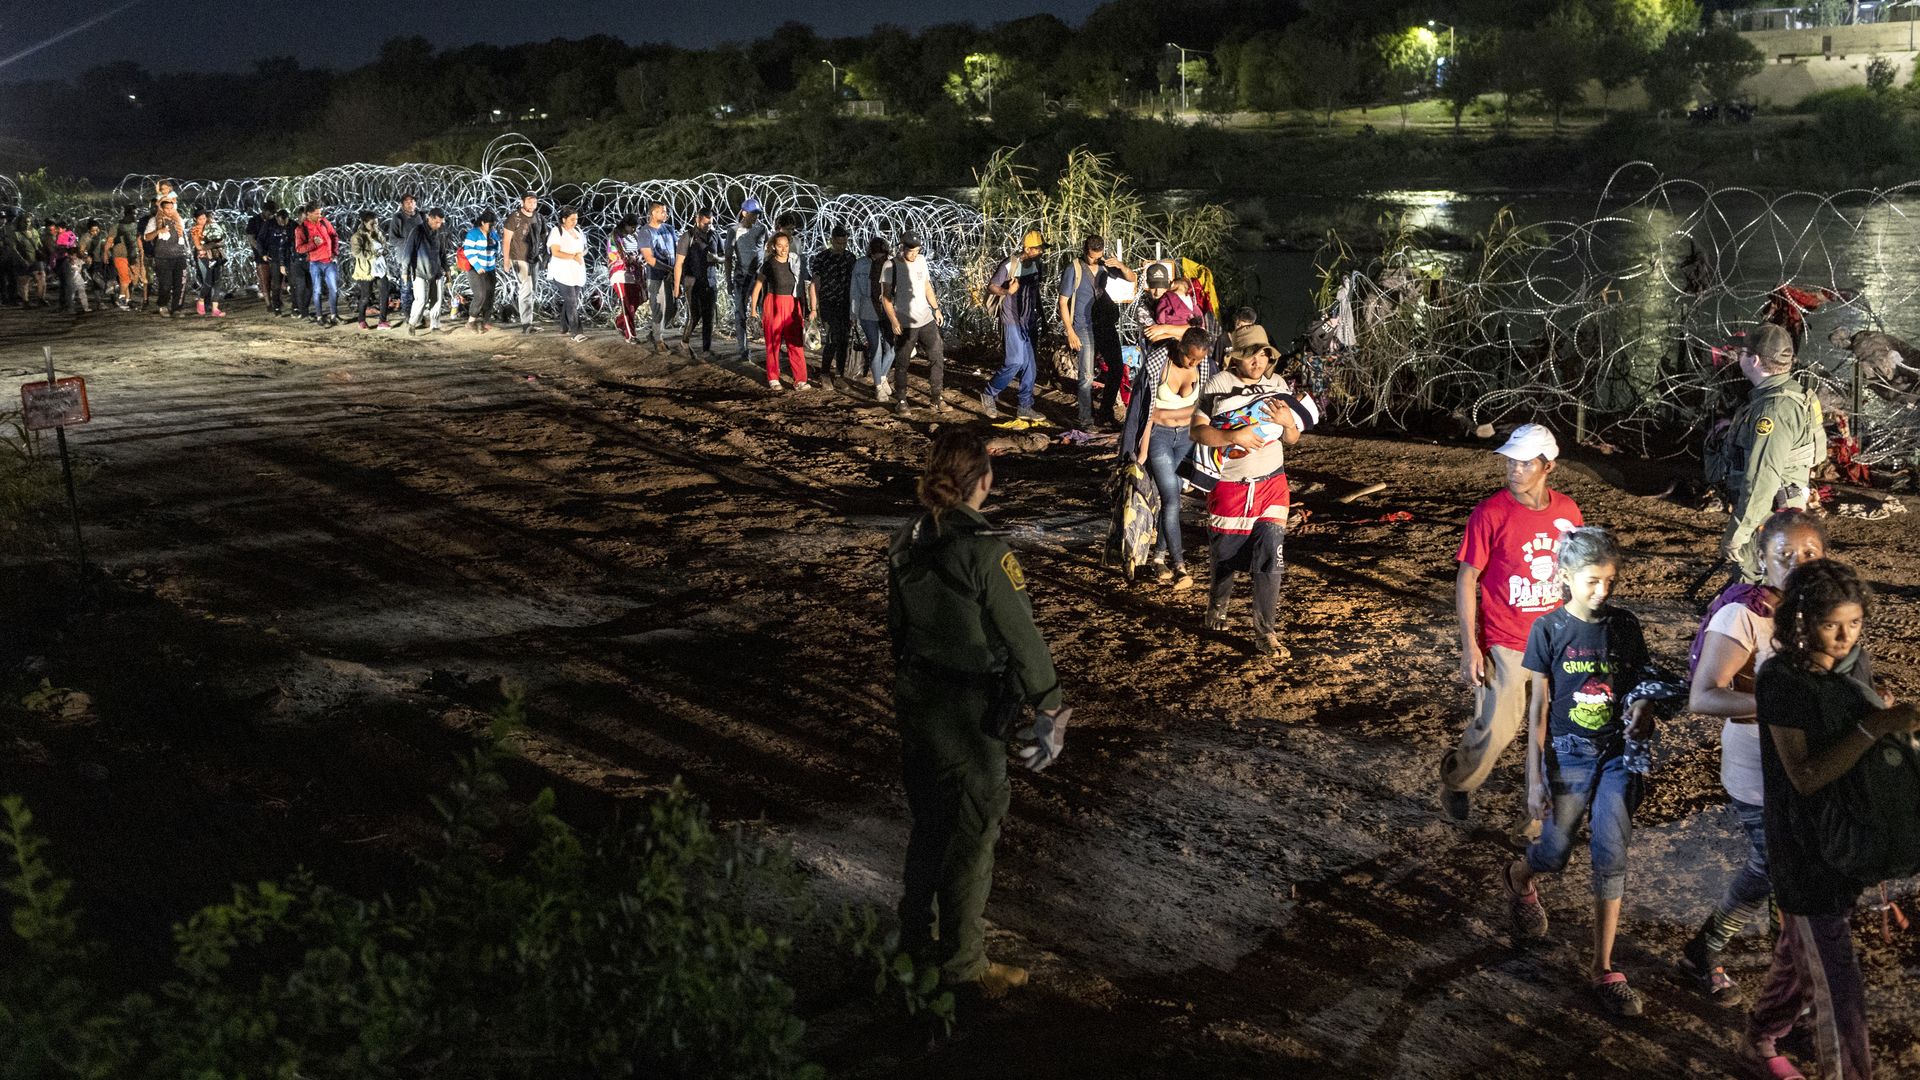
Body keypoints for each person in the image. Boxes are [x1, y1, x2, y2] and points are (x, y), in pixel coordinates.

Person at [888, 427, 1069, 1000]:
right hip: (970, 709)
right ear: (983, 481)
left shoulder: (905, 541)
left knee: (930, 827)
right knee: (972, 833)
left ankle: (913, 944)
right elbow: (1023, 637)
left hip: (919, 700)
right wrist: (1049, 705)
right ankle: (964, 966)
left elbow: (898, 631)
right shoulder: (987, 551)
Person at [1739, 560, 1918, 1080]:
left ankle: (1759, 1040)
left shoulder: (1850, 669)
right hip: (1805, 850)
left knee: (1801, 959)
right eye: (1830, 625)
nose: (1844, 637)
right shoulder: (1782, 680)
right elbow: (1805, 776)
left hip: (1849, 842)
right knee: (1839, 990)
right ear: (1800, 621)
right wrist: (1873, 727)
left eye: (1855, 623)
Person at [1501, 527, 1660, 1019]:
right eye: (1592, 580)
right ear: (1566, 577)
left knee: (1611, 853)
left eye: (1610, 580)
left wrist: (1646, 708)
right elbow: (1539, 711)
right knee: (1553, 852)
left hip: (1618, 754)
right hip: (1567, 755)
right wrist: (1534, 780)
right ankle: (1520, 878)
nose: (1603, 591)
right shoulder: (1548, 630)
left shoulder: (1625, 626)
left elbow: (1642, 686)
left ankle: (1603, 967)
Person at [1681, 510, 1829, 1006]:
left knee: (1781, 869)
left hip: (1807, 768)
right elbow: (1704, 697)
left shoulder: (1822, 609)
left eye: (1808, 553)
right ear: (1761, 558)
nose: (1796, 563)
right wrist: (1784, 708)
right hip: (1757, 771)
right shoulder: (1743, 614)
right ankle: (1787, 981)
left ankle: (1734, 958)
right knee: (1780, 868)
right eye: (1783, 554)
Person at [1439, 423, 1584, 837]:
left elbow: (1574, 572)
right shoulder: (1490, 513)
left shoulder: (1568, 512)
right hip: (1505, 642)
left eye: (1524, 463)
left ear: (1548, 466)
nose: (1514, 470)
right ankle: (1458, 779)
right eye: (1510, 461)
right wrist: (1471, 647)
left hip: (1554, 642)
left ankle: (1534, 822)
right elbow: (1467, 578)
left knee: (1547, 732)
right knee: (1496, 730)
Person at [1191, 326, 1300, 655]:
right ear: (1236, 355)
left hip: (1272, 484)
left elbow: (1292, 439)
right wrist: (1232, 437)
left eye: (1264, 353)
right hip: (1229, 487)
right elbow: (1197, 432)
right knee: (1225, 557)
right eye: (1252, 353)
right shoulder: (1219, 385)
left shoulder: (1277, 386)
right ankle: (1218, 605)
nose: (1258, 360)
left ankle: (1265, 632)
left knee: (1270, 553)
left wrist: (1289, 423)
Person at [1717, 325, 1826, 583]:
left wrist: (1738, 533)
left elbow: (1762, 479)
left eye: (1741, 352)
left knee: (1756, 585)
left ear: (1754, 360)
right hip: (1783, 511)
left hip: (1767, 515)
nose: (1737, 357)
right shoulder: (1793, 394)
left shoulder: (1773, 410)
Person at [1119, 325, 1214, 589]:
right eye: (1190, 357)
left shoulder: (1204, 367)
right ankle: (1180, 566)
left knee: (1169, 501)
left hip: (1186, 438)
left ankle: (1159, 558)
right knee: (1171, 498)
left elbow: (1207, 405)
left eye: (1198, 359)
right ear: (1180, 348)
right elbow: (1145, 410)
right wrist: (1142, 451)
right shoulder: (1158, 362)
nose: (1193, 362)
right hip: (1159, 437)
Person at [1058, 235, 1136, 429]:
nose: (1095, 260)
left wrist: (1120, 265)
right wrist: (1070, 331)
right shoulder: (1073, 269)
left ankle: (1105, 413)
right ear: (1085, 251)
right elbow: (1063, 301)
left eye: (1098, 256)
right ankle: (1085, 419)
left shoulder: (1105, 265)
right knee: (1086, 375)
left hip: (1104, 324)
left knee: (1117, 368)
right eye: (1092, 257)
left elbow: (1132, 278)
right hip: (1083, 326)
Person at [981, 231, 1047, 424]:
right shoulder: (1010, 264)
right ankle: (989, 393)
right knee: (1015, 361)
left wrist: (1041, 316)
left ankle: (1025, 406)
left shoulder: (1037, 265)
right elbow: (991, 286)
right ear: (1027, 249)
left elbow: (1036, 294)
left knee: (1030, 366)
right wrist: (1006, 291)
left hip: (1029, 320)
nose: (1041, 252)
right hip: (1011, 318)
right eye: (1038, 248)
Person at [882, 233, 946, 416]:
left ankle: (937, 397)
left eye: (918, 251)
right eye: (911, 251)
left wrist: (936, 308)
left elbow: (927, 286)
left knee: (937, 357)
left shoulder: (921, 261)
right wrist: (894, 320)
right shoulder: (890, 266)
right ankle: (901, 400)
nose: (914, 255)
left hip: (926, 319)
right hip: (905, 321)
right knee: (903, 362)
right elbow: (885, 297)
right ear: (901, 248)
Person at [747, 231, 814, 391]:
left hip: (792, 305)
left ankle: (800, 380)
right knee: (773, 343)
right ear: (774, 247)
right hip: (773, 304)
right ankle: (773, 378)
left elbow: (805, 285)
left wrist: (809, 308)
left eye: (786, 245)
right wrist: (753, 310)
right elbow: (757, 287)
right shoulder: (769, 264)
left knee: (795, 344)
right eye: (780, 246)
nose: (784, 249)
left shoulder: (795, 262)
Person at [810, 224, 858, 385]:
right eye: (838, 243)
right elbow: (815, 283)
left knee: (843, 340)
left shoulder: (850, 258)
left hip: (845, 304)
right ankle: (824, 373)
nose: (841, 247)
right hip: (828, 303)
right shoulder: (822, 258)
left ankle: (839, 375)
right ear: (831, 241)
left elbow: (854, 283)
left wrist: (854, 306)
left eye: (844, 243)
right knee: (832, 338)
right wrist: (814, 307)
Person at [726, 197, 770, 362]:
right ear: (744, 213)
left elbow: (768, 250)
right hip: (741, 278)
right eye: (752, 214)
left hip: (759, 277)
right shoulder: (734, 231)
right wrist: (729, 281)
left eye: (757, 214)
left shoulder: (762, 229)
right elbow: (729, 257)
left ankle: (770, 346)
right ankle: (743, 349)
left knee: (764, 310)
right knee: (740, 313)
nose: (755, 217)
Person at [853, 236, 894, 403]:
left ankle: (882, 376)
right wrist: (853, 313)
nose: (877, 258)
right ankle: (878, 386)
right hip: (867, 309)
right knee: (875, 348)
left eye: (880, 255)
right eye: (875, 255)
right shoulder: (861, 264)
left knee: (891, 348)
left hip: (887, 310)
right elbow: (854, 289)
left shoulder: (891, 264)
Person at [674, 207, 719, 355]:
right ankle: (684, 343)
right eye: (705, 224)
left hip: (710, 281)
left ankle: (707, 349)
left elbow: (726, 257)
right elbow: (679, 263)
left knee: (708, 316)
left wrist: (717, 259)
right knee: (694, 314)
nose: (708, 227)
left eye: (710, 223)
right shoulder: (688, 236)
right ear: (697, 220)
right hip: (692, 282)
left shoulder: (715, 236)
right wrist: (676, 286)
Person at [500, 193, 547, 334]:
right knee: (526, 288)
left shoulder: (539, 217)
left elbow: (544, 236)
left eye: (535, 202)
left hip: (534, 257)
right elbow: (506, 240)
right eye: (529, 202)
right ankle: (526, 324)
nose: (532, 204)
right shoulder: (514, 217)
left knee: (532, 290)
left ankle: (512, 310)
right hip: (519, 257)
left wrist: (546, 256)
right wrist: (506, 260)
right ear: (523, 202)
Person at [402, 208, 452, 335]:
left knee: (437, 300)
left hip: (436, 271)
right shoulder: (417, 231)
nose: (439, 225)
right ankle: (412, 324)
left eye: (441, 222)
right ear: (429, 218)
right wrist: (405, 271)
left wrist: (447, 270)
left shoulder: (439, 232)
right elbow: (408, 251)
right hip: (420, 271)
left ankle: (435, 326)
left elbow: (442, 253)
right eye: (436, 222)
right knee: (421, 300)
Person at [143, 193, 190, 318]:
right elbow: (147, 237)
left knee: (180, 284)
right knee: (165, 285)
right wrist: (159, 231)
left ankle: (177, 309)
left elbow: (183, 237)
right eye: (166, 209)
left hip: (179, 255)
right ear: (161, 209)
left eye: (171, 208)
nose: (169, 211)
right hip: (163, 257)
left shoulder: (178, 220)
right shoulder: (154, 221)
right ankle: (162, 305)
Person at [637, 201, 676, 350]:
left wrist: (677, 270)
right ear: (653, 213)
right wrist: (670, 269)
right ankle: (658, 339)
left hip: (672, 275)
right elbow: (650, 259)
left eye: (666, 212)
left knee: (672, 309)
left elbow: (677, 248)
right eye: (662, 212)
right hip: (656, 276)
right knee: (659, 308)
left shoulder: (669, 229)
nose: (666, 214)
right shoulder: (645, 232)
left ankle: (655, 333)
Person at [295, 203, 342, 327]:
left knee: (334, 290)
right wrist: (313, 244)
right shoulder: (301, 229)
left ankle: (334, 315)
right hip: (315, 263)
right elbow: (299, 248)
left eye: (320, 213)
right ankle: (319, 317)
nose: (319, 215)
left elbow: (334, 235)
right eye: (317, 213)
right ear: (309, 214)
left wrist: (335, 252)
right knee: (317, 290)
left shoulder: (324, 222)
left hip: (329, 261)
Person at [547, 205, 588, 343]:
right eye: (571, 219)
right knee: (572, 301)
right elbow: (555, 252)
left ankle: (564, 326)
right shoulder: (556, 231)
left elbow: (584, 249)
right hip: (562, 271)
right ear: (564, 219)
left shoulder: (578, 231)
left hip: (576, 271)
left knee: (571, 300)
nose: (575, 222)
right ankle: (576, 331)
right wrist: (573, 256)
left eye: (576, 219)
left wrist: (581, 254)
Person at [347, 211, 391, 330]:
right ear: (364, 223)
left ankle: (382, 321)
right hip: (366, 270)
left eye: (376, 223)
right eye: (372, 224)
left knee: (384, 294)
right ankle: (361, 320)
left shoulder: (378, 233)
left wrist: (384, 251)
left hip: (380, 268)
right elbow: (356, 252)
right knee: (366, 296)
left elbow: (385, 247)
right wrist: (373, 254)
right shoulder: (357, 237)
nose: (375, 226)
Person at [460, 211, 500, 334]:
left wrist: (495, 244)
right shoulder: (474, 234)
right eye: (490, 225)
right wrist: (477, 265)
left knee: (490, 295)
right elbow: (468, 251)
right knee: (480, 295)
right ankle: (471, 321)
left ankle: (485, 321)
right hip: (475, 269)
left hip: (490, 268)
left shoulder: (493, 233)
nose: (492, 227)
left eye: (494, 225)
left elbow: (497, 249)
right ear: (482, 223)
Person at [387, 194, 424, 320]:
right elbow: (392, 239)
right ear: (402, 205)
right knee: (406, 288)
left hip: (420, 258)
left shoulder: (422, 216)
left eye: (412, 201)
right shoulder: (397, 218)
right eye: (407, 202)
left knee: (420, 287)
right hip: (404, 258)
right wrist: (409, 242)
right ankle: (408, 314)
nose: (410, 204)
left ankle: (419, 313)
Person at [607, 214, 643, 344]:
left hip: (634, 275)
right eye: (632, 227)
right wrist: (630, 259)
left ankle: (620, 321)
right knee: (627, 303)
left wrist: (638, 258)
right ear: (625, 224)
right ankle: (630, 335)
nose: (634, 230)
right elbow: (616, 254)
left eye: (636, 227)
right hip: (620, 274)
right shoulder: (614, 236)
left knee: (635, 302)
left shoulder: (635, 236)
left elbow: (641, 251)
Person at [188, 208, 226, 317]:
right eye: (200, 219)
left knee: (217, 281)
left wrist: (214, 244)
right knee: (208, 282)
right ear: (195, 219)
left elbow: (221, 241)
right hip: (204, 258)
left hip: (215, 256)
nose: (203, 220)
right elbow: (199, 246)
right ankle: (201, 301)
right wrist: (214, 244)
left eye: (204, 218)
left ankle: (215, 308)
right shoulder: (195, 230)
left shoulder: (211, 226)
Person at [258, 208, 295, 316]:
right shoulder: (269, 225)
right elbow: (260, 239)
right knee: (276, 284)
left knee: (293, 284)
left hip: (289, 258)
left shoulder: (292, 225)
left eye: (284, 222)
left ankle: (295, 307)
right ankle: (277, 307)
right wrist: (263, 253)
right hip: (275, 257)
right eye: (280, 222)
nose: (282, 224)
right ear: (277, 219)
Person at [110, 206, 144, 310]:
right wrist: (106, 253)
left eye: (136, 213)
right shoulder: (117, 226)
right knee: (125, 279)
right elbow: (110, 240)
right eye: (133, 213)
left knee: (132, 279)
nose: (134, 215)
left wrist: (141, 250)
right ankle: (121, 300)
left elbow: (138, 238)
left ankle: (127, 300)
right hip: (121, 255)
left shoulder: (135, 226)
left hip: (133, 255)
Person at [244, 199, 276, 300]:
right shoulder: (254, 221)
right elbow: (251, 238)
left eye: (273, 213)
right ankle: (267, 300)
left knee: (275, 278)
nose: (271, 215)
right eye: (270, 213)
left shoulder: (274, 220)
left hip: (274, 253)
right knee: (264, 277)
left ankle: (274, 299)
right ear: (264, 210)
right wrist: (261, 251)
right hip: (260, 254)